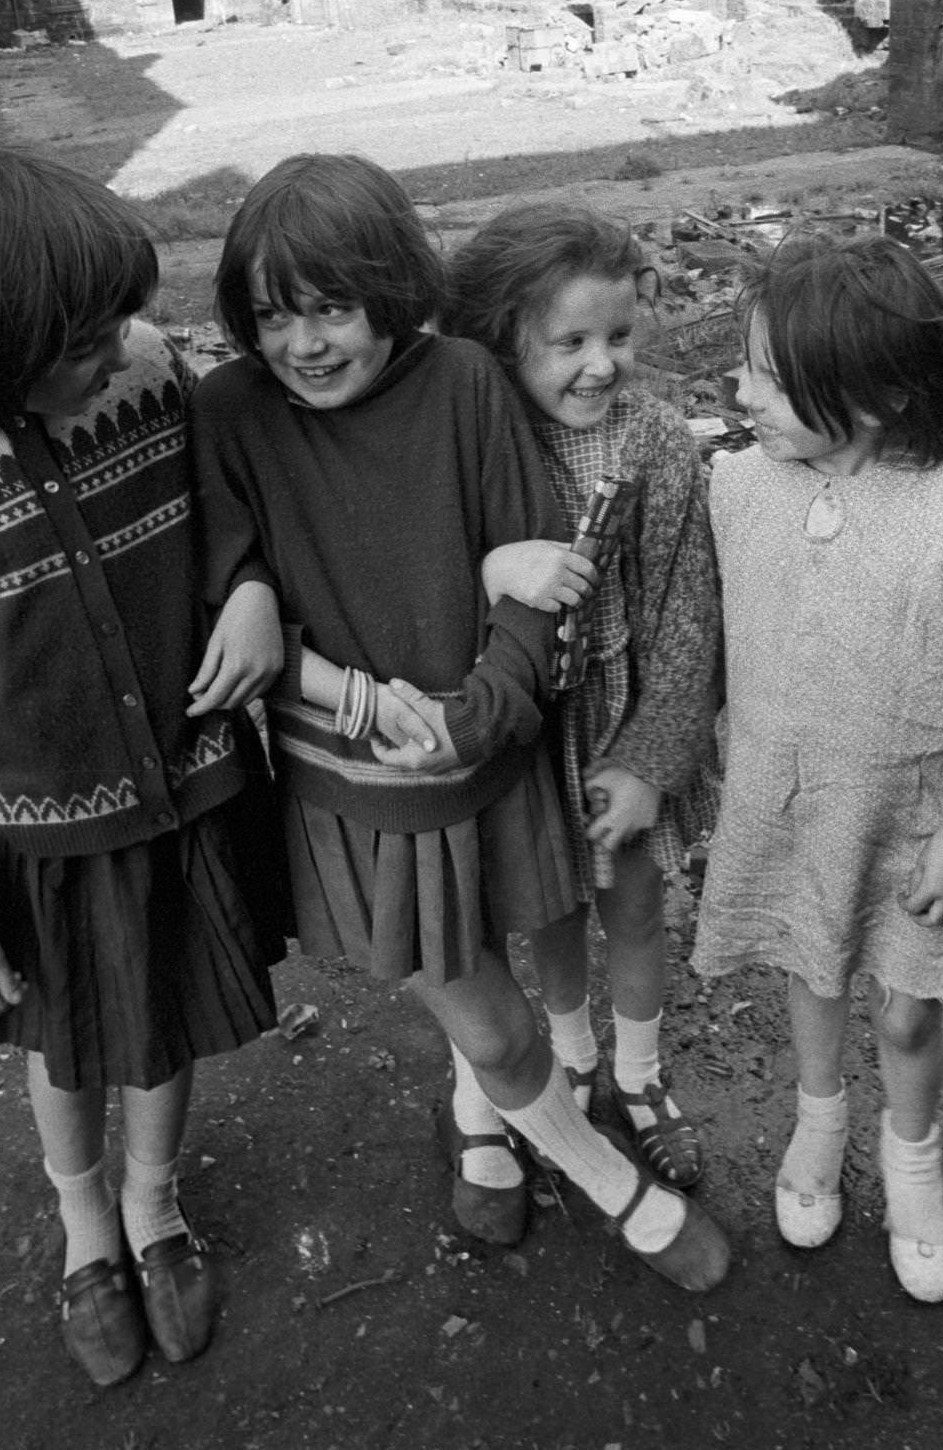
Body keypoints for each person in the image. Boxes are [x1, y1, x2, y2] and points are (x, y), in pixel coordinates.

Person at [190, 154, 729, 1294]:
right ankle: (615, 1187)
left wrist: (475, 716)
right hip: (360, 794)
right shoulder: (229, 411)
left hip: (492, 759)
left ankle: (491, 1118)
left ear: (391, 289)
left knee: (521, 933)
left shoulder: (466, 387)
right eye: (275, 315)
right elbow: (218, 577)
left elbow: (535, 589)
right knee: (487, 1015)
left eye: (333, 306)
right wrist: (252, 594)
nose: (306, 342)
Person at [0, 146, 287, 1388]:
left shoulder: (146, 378)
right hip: (36, 841)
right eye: (80, 334)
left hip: (184, 790)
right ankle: (84, 1221)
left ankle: (153, 1200)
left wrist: (244, 587)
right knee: (70, 1036)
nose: (116, 344)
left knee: (166, 1015)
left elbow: (221, 509)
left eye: (117, 318)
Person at [691, 233, 943, 1302]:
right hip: (783, 795)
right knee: (811, 964)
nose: (738, 386)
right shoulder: (734, 484)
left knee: (902, 1006)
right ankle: (816, 1120)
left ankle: (913, 1158)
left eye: (766, 370)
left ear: (877, 393)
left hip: (909, 815)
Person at [443, 203, 722, 1203]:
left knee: (636, 903)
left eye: (616, 336)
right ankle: (570, 1054)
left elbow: (688, 615)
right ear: (502, 342)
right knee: (549, 905)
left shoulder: (656, 442)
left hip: (621, 718)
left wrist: (651, 757)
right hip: (527, 728)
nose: (599, 363)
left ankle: (641, 1076)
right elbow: (434, 583)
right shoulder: (478, 439)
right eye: (567, 342)